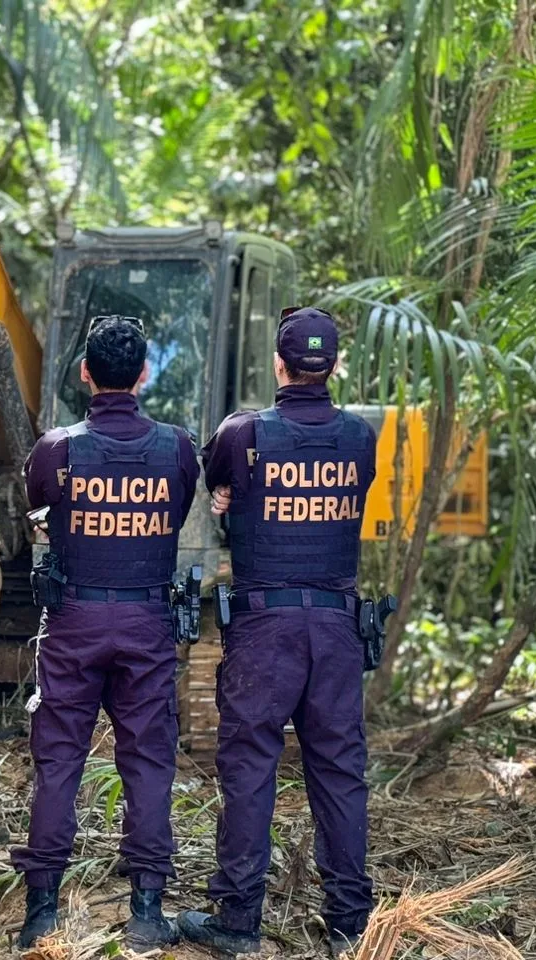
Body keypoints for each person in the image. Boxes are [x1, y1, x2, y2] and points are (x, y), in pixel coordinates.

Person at [176, 306, 378, 958]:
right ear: (336, 366)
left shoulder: (244, 432)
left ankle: (238, 923)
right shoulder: (357, 437)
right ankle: (351, 924)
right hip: (338, 627)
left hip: (266, 630)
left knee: (249, 769)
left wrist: (236, 496)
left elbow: (218, 483)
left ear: (279, 365)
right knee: (340, 773)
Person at [11, 315, 200, 950]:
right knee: (148, 761)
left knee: (59, 760)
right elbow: (173, 513)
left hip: (73, 623)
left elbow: (38, 507)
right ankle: (147, 911)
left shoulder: (56, 449)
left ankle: (41, 913)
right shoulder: (176, 449)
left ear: (85, 373)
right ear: (144, 374)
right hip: (146, 622)